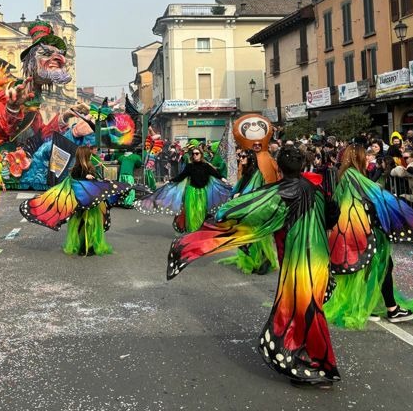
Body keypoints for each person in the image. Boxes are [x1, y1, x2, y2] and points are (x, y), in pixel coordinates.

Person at [166, 146, 341, 388]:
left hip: (300, 260)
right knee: (308, 308)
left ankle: (320, 367)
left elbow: (251, 210)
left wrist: (223, 215)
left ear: (279, 168)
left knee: (303, 309)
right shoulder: (316, 189)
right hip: (320, 257)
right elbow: (333, 214)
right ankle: (312, 361)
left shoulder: (280, 191)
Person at [323, 144, 413, 329]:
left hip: (350, 233)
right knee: (383, 265)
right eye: (364, 156)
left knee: (369, 268)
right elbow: (384, 201)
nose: (368, 159)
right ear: (357, 158)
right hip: (364, 232)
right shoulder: (358, 179)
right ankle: (392, 309)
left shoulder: (345, 177)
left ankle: (370, 306)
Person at [20, 145, 135, 256]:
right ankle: (84, 247)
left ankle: (89, 246)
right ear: (85, 156)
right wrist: (85, 178)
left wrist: (101, 181)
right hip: (80, 203)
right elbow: (75, 182)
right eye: (89, 155)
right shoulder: (76, 169)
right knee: (83, 224)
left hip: (92, 204)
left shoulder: (91, 167)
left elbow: (95, 183)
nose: (91, 157)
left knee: (91, 225)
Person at [136, 145, 231, 233]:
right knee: (190, 212)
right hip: (191, 192)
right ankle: (192, 231)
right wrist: (171, 181)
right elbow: (181, 176)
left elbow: (215, 174)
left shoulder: (206, 166)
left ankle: (198, 231)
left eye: (197, 153)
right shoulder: (189, 166)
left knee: (200, 212)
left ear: (201, 155)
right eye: (193, 154)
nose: (195, 156)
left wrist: (223, 179)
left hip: (202, 192)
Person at [216, 149, 278, 275]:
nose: (241, 158)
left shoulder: (257, 173)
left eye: (244, 156)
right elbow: (239, 188)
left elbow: (256, 190)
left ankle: (262, 261)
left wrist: (242, 196)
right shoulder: (246, 173)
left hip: (253, 209)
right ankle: (253, 260)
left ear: (251, 159)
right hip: (246, 208)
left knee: (256, 237)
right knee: (245, 236)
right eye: (240, 156)